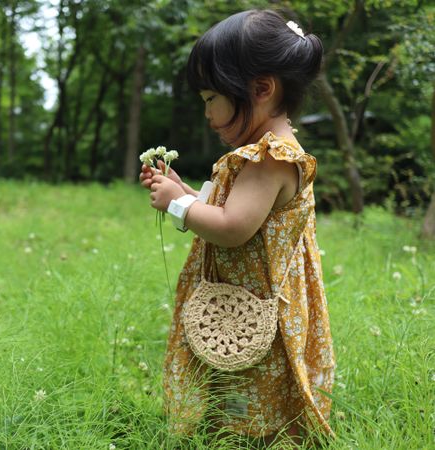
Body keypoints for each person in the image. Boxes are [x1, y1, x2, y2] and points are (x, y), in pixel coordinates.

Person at [139, 9, 335, 446]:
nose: (207, 112)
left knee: (252, 377)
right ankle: (228, 431)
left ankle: (254, 436)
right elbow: (228, 211)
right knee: (230, 370)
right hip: (238, 296)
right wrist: (185, 192)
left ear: (261, 88)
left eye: (211, 98)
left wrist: (178, 207)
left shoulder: (271, 159)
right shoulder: (258, 155)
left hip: (257, 299)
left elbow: (232, 228)